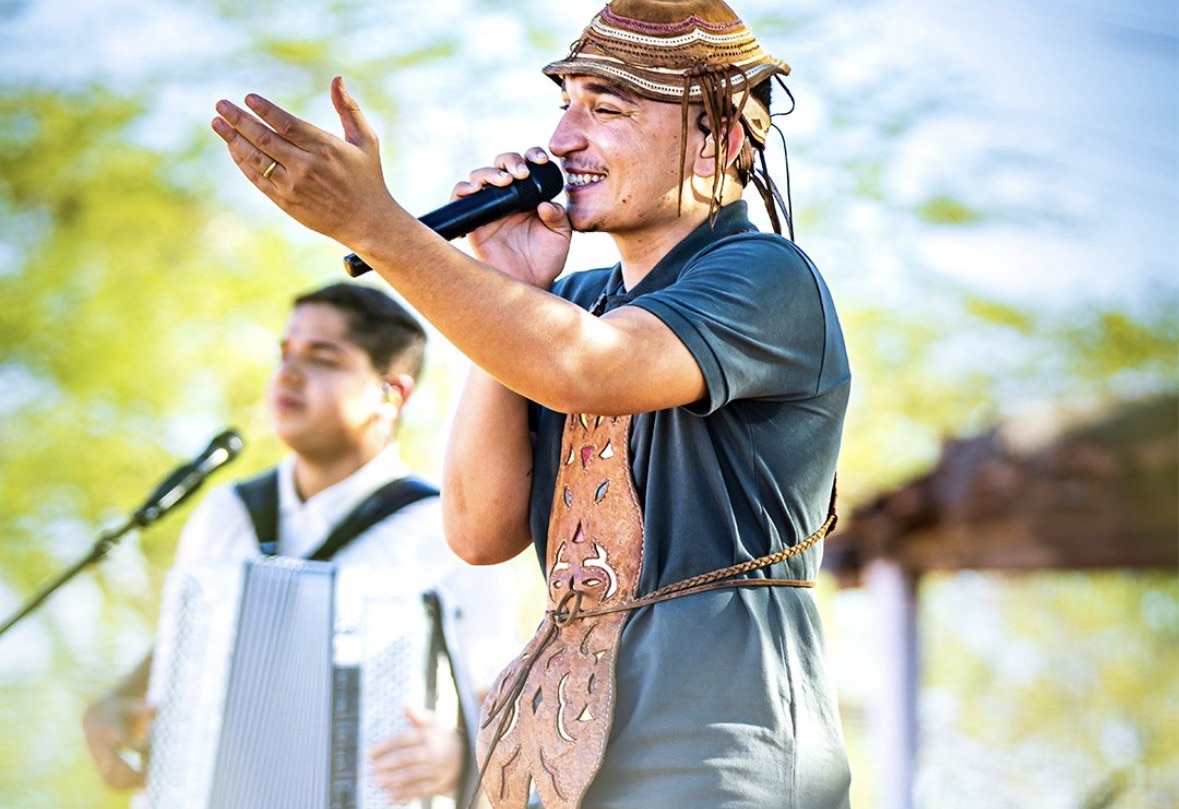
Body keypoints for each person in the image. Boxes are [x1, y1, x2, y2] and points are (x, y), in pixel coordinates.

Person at [210, 0, 853, 806]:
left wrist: (379, 228)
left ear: (716, 141)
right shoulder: (569, 306)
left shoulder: (766, 276)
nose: (563, 139)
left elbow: (588, 367)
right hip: (565, 759)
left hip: (721, 761)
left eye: (606, 110)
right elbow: (477, 530)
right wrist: (510, 287)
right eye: (565, 105)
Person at [82, 281, 520, 806]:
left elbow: (503, 705)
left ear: (391, 394)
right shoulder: (228, 510)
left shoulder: (447, 528)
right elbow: (186, 649)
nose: (288, 373)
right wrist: (117, 701)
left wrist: (458, 755)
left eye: (323, 358)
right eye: (285, 353)